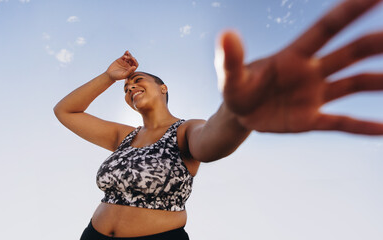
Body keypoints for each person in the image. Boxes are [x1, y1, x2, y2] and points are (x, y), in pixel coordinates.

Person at [53, 0, 383, 239]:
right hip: (92, 234)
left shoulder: (184, 131)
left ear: (163, 87)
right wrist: (110, 76)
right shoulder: (123, 137)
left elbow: (211, 140)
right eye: (126, 88)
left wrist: (239, 116)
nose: (131, 87)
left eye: (139, 81)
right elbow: (66, 111)